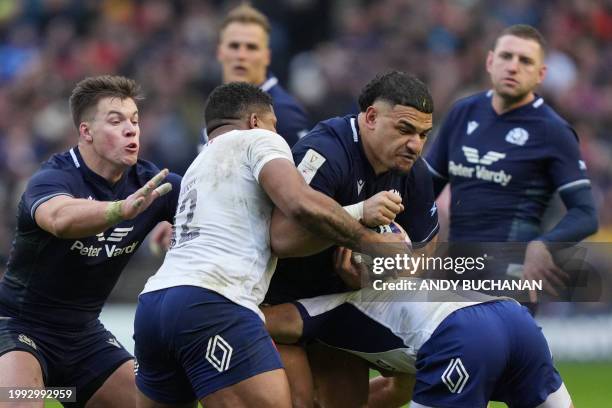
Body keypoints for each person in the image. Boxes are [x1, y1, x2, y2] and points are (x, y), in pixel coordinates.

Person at [132, 82, 409, 408]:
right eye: (274, 125)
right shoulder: (258, 138)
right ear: (254, 120)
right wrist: (366, 229)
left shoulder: (198, 166)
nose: (279, 136)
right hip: (214, 300)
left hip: (153, 307)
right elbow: (299, 203)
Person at [0, 75, 181, 407]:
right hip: (17, 327)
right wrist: (119, 210)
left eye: (134, 121)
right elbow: (59, 218)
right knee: (18, 401)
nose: (131, 129)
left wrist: (175, 237)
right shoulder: (52, 178)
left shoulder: (152, 184)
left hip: (84, 336)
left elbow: (211, 218)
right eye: (116, 121)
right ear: (86, 132)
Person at [265, 71, 439, 407]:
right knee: (296, 400)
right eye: (405, 130)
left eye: (423, 134)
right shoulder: (326, 151)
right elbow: (281, 240)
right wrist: (358, 219)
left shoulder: (414, 170)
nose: (415, 144)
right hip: (279, 301)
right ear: (371, 117)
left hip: (341, 306)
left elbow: (424, 253)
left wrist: (380, 273)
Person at [424, 24, 598, 296]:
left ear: (541, 74)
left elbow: (586, 214)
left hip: (512, 276)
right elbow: (423, 191)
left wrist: (544, 244)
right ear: (490, 61)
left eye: (525, 61)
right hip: (456, 273)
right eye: (506, 57)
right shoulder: (462, 113)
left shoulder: (553, 131)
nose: (513, 67)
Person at [261, 280, 575, 408]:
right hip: (515, 319)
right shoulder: (401, 295)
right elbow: (396, 391)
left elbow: (265, 321)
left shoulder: (326, 305)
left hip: (460, 336)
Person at [216, 3, 310, 145]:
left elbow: (302, 167)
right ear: (220, 52)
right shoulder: (216, 104)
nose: (241, 55)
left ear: (267, 57)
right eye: (234, 46)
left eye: (251, 47)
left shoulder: (282, 113)